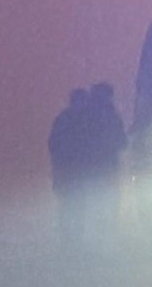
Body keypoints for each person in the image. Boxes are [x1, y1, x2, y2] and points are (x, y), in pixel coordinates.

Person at [47, 84, 124, 251]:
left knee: (71, 208)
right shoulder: (105, 117)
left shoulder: (67, 118)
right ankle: (100, 243)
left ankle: (71, 243)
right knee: (98, 207)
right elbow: (121, 142)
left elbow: (53, 145)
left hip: (71, 172)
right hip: (101, 171)